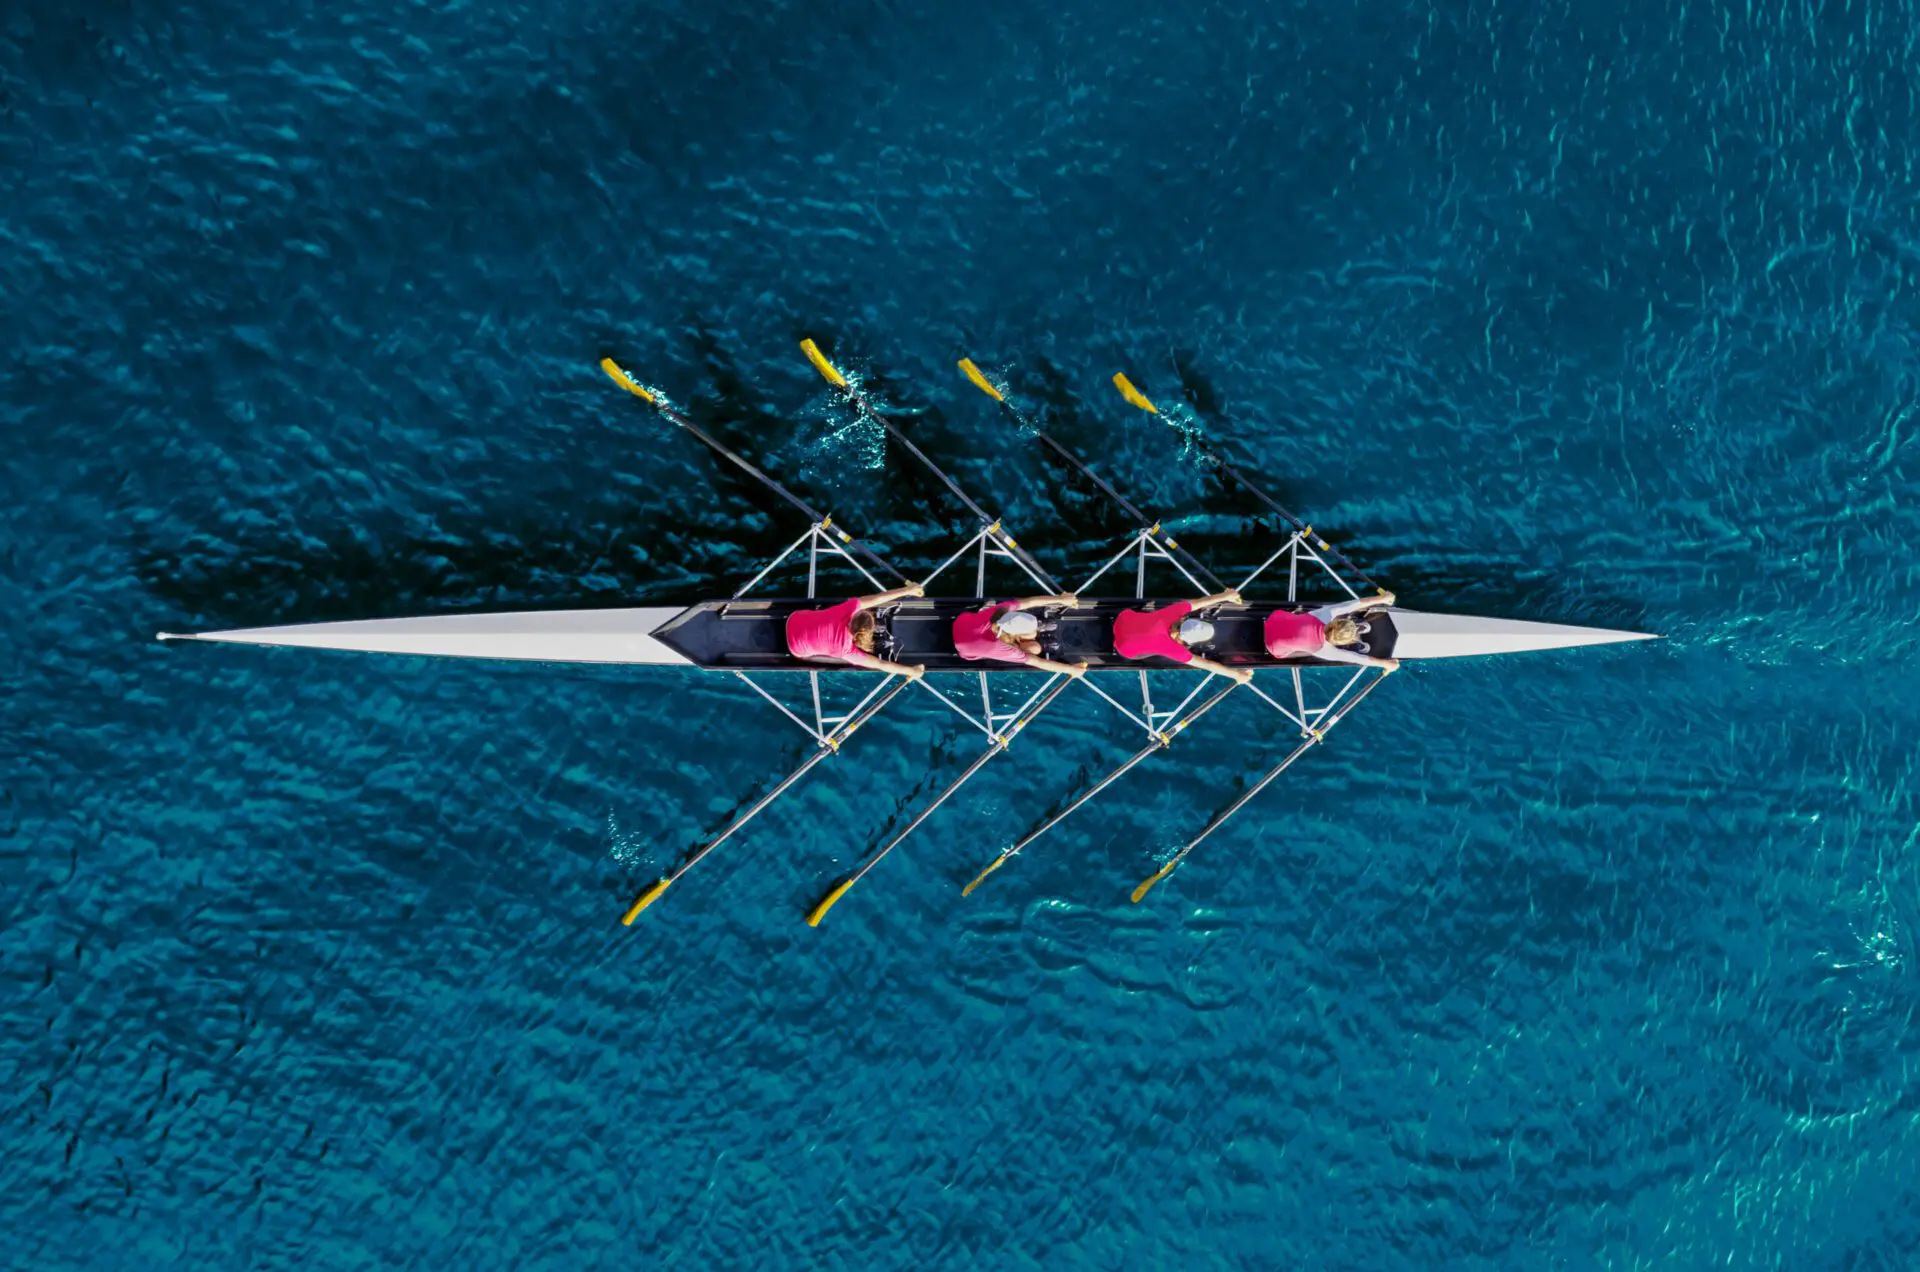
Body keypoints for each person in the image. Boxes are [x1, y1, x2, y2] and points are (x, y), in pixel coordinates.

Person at [1111, 589, 1253, 682]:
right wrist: (1237, 675)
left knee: (1148, 620)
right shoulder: (1175, 649)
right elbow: (1208, 665)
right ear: (1184, 641)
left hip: (1122, 618)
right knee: (1154, 651)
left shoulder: (1175, 611)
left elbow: (1200, 602)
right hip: (1123, 649)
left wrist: (1225, 596)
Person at [786, 584, 927, 677]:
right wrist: (911, 671)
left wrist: (908, 590)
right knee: (846, 659)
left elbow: (877, 598)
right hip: (796, 650)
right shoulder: (847, 650)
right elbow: (881, 664)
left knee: (829, 612)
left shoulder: (850, 608)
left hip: (793, 618)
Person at [953, 594, 1089, 677]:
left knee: (1033, 644)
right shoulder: (1003, 648)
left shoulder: (1000, 613)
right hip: (965, 651)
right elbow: (1037, 662)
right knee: (1035, 649)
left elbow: (1029, 602)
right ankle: (1036, 636)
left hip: (961, 621)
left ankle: (1034, 632)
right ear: (1014, 636)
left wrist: (1061, 599)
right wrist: (1071, 670)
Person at [1262, 590, 1400, 670]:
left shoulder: (1325, 615)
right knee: (1305, 650)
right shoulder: (1324, 650)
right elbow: (1358, 659)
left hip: (1274, 618)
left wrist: (1383, 598)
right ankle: (1357, 634)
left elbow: (1354, 604)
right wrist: (1387, 664)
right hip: (1273, 648)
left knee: (1302, 620)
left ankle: (1356, 629)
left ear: (1336, 621)